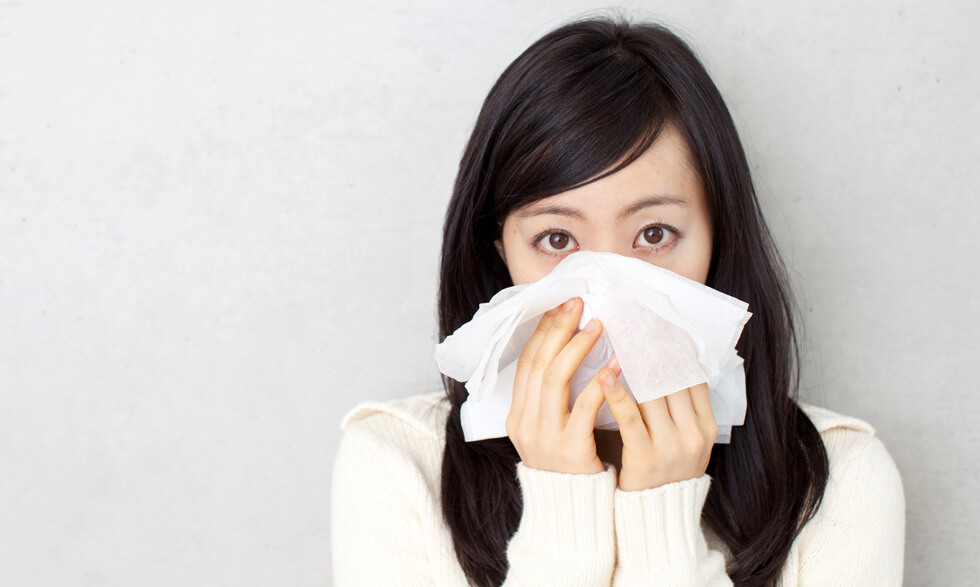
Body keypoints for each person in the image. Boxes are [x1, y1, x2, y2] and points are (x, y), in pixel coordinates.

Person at [331, 15, 905, 586]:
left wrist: (665, 518)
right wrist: (561, 505)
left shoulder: (836, 483)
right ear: (500, 251)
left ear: (717, 239)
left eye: (653, 234)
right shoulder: (398, 464)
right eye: (557, 240)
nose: (607, 290)